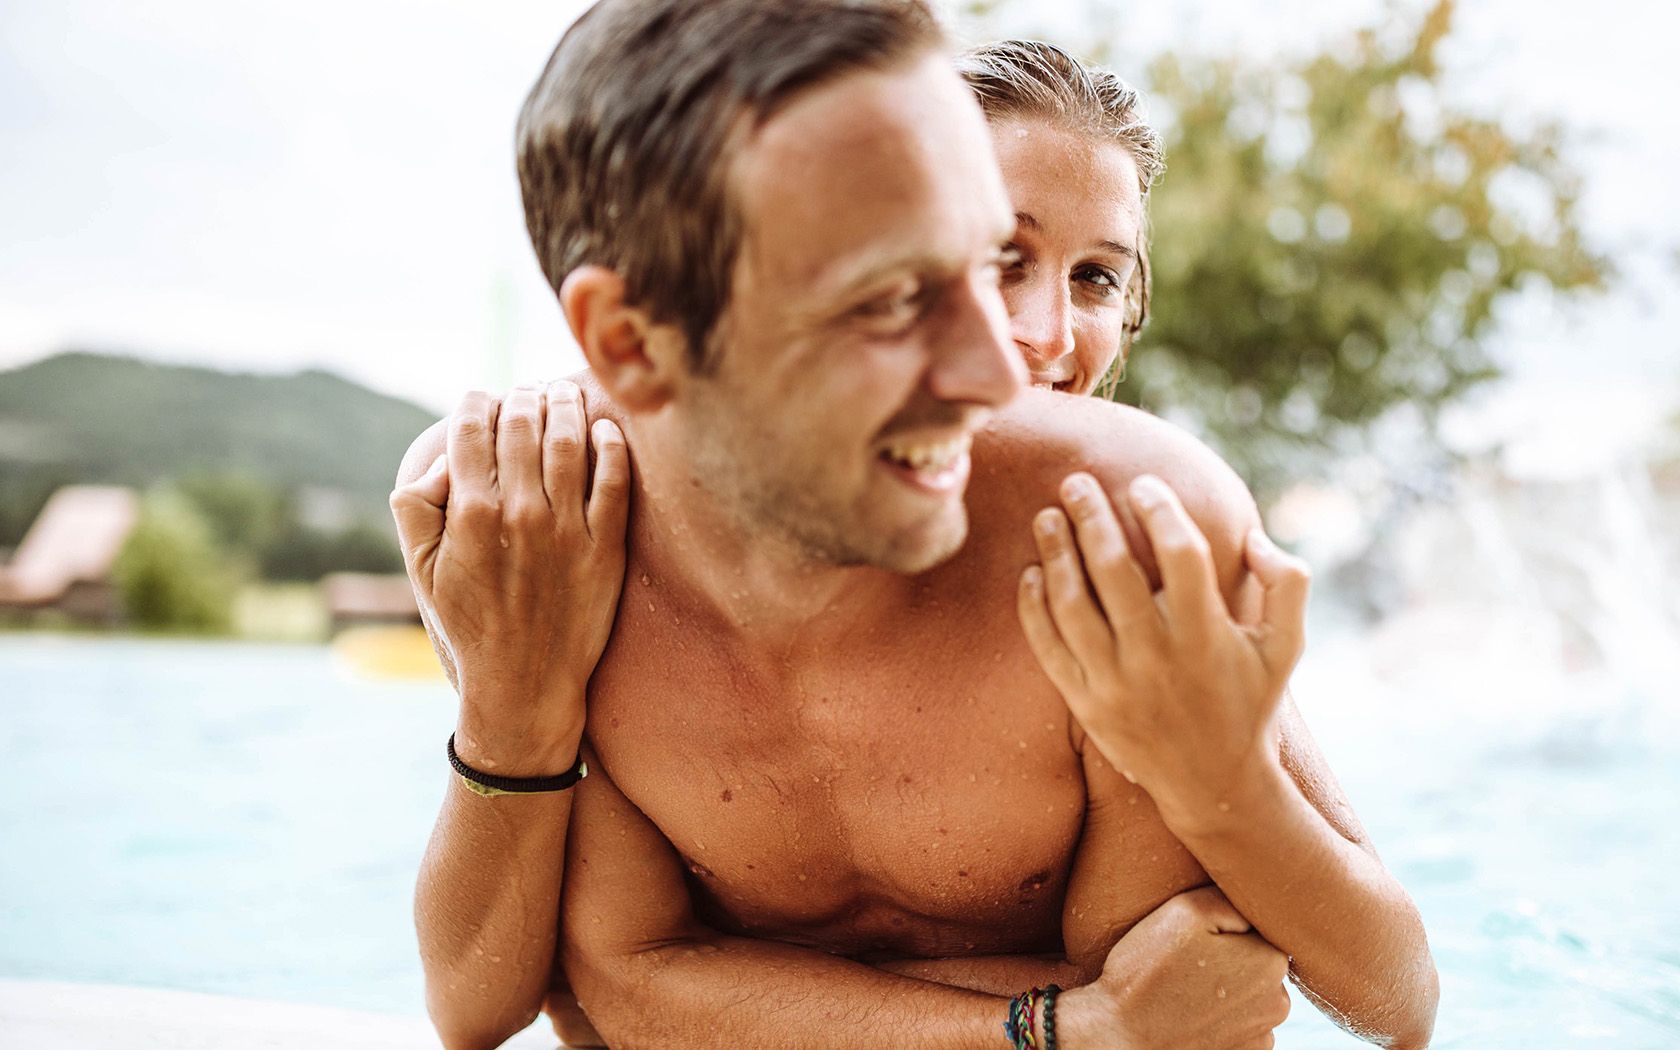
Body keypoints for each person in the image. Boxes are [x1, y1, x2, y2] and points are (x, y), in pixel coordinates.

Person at [390, 3, 1439, 1047]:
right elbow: (554, 998)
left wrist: (1224, 792)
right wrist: (514, 721)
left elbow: (1222, 996)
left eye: (1096, 278)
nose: (1029, 343)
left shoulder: (1118, 525)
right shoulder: (539, 513)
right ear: (631, 339)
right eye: (922, 283)